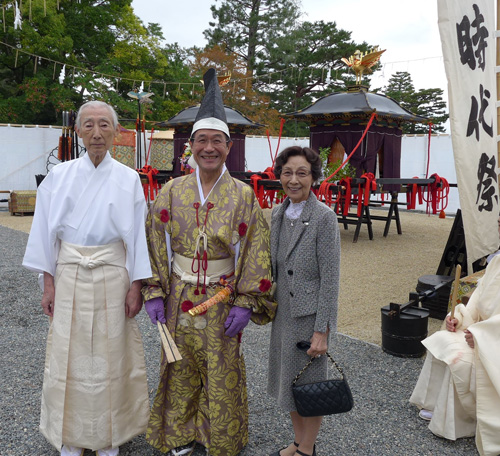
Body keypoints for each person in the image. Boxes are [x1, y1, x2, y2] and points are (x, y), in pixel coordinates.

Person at [142, 68, 276, 456]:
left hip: (223, 296)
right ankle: (180, 433)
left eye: (217, 141)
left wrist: (247, 302)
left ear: (228, 147)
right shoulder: (170, 192)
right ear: (191, 147)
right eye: (201, 141)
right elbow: (152, 240)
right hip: (179, 293)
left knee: (222, 370)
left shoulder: (243, 195)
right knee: (178, 365)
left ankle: (217, 437)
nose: (208, 148)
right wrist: (153, 289)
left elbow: (255, 249)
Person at [23, 100, 152, 456]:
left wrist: (136, 285)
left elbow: (137, 238)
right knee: (68, 351)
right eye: (89, 125)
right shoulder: (59, 176)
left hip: (113, 272)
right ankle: (72, 435)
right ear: (78, 131)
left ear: (115, 131)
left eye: (104, 125)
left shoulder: (128, 179)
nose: (97, 133)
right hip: (69, 272)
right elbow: (44, 235)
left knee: (114, 353)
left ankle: (110, 434)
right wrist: (47, 283)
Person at [267, 146, 341, 456]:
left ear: (314, 178)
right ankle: (298, 441)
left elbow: (330, 278)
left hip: (309, 317)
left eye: (302, 173)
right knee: (290, 384)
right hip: (284, 313)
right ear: (279, 175)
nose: (293, 180)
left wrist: (322, 330)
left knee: (310, 387)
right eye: (287, 172)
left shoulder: (324, 217)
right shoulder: (277, 212)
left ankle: (307, 448)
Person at [410, 251, 500, 456]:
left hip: (493, 342)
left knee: (458, 357)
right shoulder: (496, 263)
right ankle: (436, 404)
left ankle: (459, 421)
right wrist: (461, 319)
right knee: (443, 339)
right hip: (483, 332)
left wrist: (480, 335)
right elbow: (477, 300)